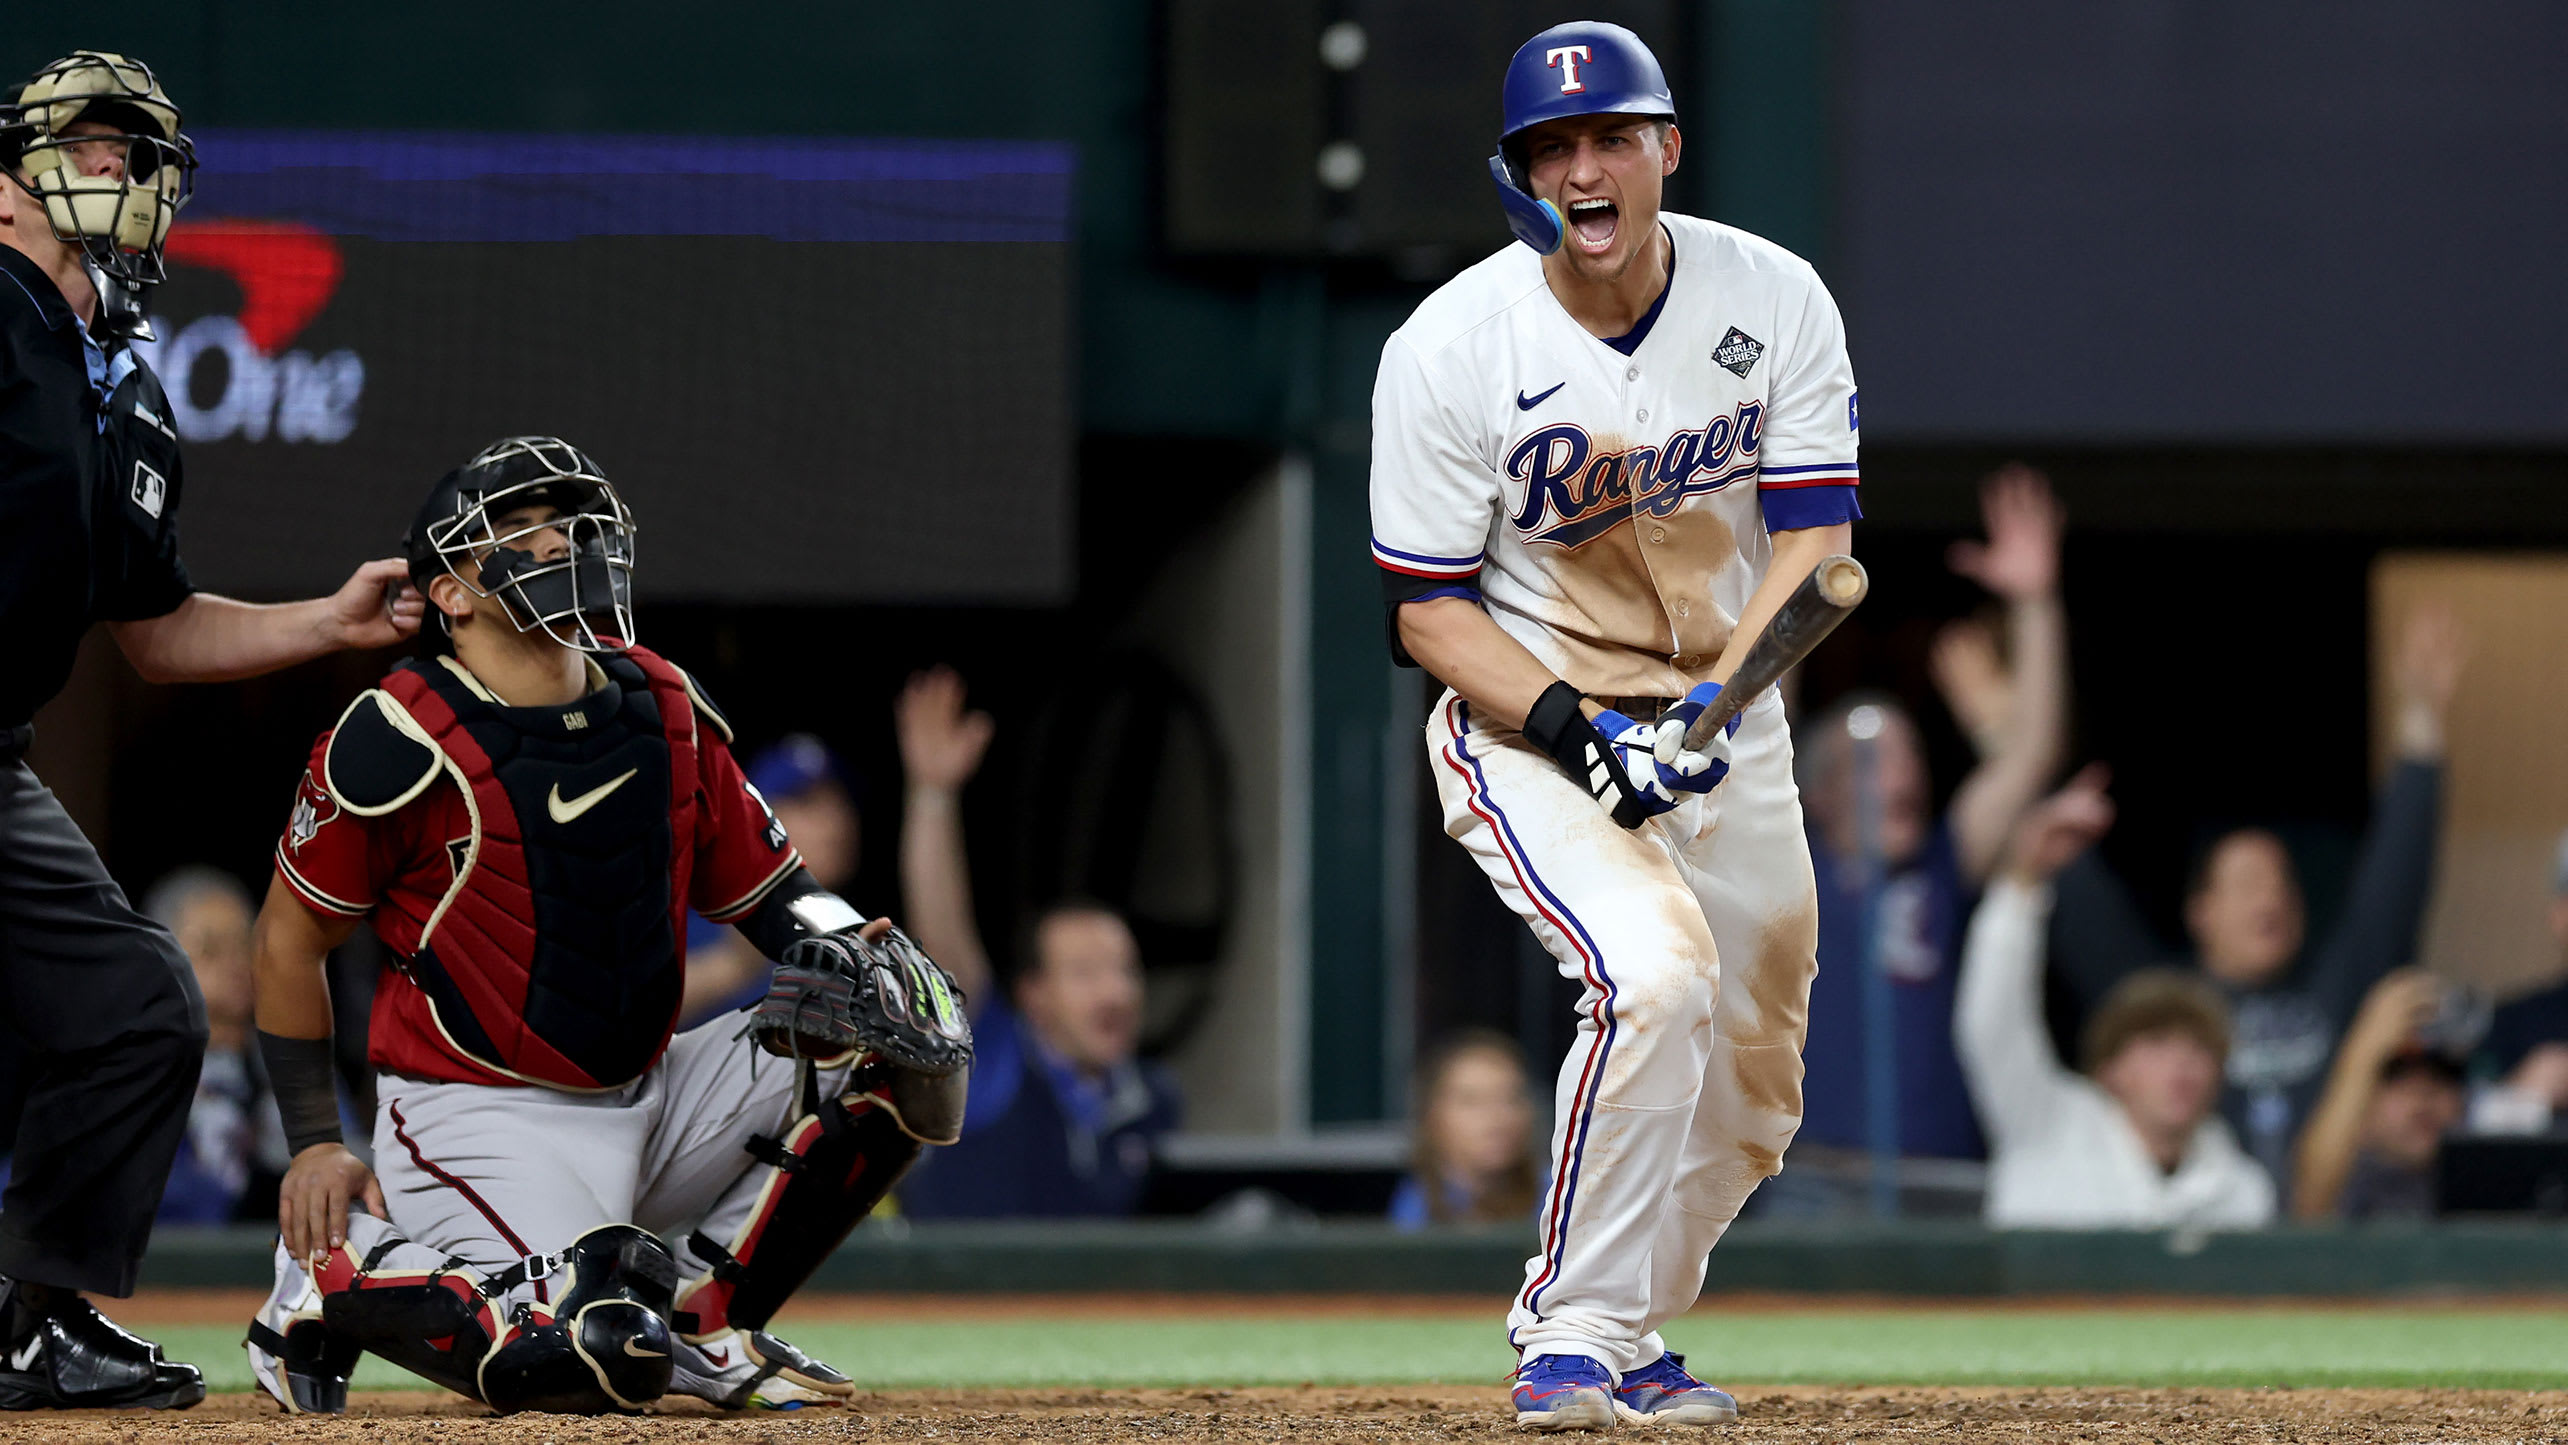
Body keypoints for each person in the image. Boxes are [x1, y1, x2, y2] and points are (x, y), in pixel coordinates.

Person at [241, 438, 970, 1416]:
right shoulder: (395, 732)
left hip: (652, 1087)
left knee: (904, 1033)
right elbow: (288, 941)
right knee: (598, 1351)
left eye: (566, 525)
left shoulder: (660, 700)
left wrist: (859, 948)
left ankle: (710, 1318)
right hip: (477, 1120)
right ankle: (331, 1271)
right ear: (450, 591)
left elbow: (776, 891)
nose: (558, 544)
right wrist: (313, 1140)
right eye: (519, 531)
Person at [1369, 21, 1860, 1428]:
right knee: (1654, 977)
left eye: (1610, 140)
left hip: (1723, 717)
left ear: (1666, 151)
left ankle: (1631, 1326)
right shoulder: (1450, 345)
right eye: (1553, 149)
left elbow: (1814, 545)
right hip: (1530, 723)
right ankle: (1570, 1334)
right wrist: (1585, 729)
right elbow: (1428, 615)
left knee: (1756, 1090)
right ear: (1520, 175)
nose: (1583, 171)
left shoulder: (1773, 295)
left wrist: (1715, 705)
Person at [0, 53, 425, 1411]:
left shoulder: (118, 387)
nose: (115, 164)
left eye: (133, 147)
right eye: (84, 140)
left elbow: (157, 630)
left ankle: (28, 1323)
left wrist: (329, 621)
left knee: (140, 1007)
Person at [2047, 606, 2462, 1190]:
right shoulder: (2168, 1006)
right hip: (2205, 1216)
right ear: (2201, 913)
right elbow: (2077, 898)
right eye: (2246, 884)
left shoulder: (2335, 992)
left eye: (2283, 882)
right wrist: (2008, 748)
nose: (2271, 897)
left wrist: (2421, 723)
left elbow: (2392, 891)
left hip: (2327, 1220)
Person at [1789, 465, 2067, 1181]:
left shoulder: (1942, 864)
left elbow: (2030, 756)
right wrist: (1788, 568)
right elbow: (1757, 728)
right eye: (1872, 761)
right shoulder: (1790, 865)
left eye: (1910, 756)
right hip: (1811, 1179)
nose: (1903, 776)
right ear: (1821, 793)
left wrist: (2034, 603)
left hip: (1946, 1175)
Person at [888, 667, 1182, 1219]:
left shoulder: (1156, 1100)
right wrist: (933, 795)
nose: (1116, 992)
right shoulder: (992, 1062)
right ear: (1034, 994)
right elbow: (945, 952)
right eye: (1086, 973)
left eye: (1126, 970)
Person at [1955, 769, 2275, 1229]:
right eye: (2157, 1043)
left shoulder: (2243, 1191)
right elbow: (1992, 1022)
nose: (2182, 1063)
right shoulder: (2048, 1124)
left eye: (2200, 1048)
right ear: (2110, 1070)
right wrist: (2023, 882)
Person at [679, 735, 863, 1026]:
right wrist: (732, 966)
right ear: (755, 820)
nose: (836, 818)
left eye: (840, 799)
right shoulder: (688, 928)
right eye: (805, 802)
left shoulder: (863, 938)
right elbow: (628, 1021)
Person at [142, 868, 290, 1224]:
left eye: (244, 944)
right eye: (209, 948)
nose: (234, 962)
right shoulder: (131, 1080)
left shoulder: (298, 1068)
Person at [2292, 970, 2467, 1220]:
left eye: (2444, 1074)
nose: (2423, 1093)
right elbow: (2309, 1208)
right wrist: (2364, 1053)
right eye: (2395, 1074)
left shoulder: (2477, 1183)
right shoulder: (2346, 1183)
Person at [1390, 1029, 1544, 1230]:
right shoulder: (1415, 1211)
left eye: (1511, 1098)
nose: (1497, 1116)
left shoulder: (1563, 1194)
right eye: (1471, 1100)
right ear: (1431, 1115)